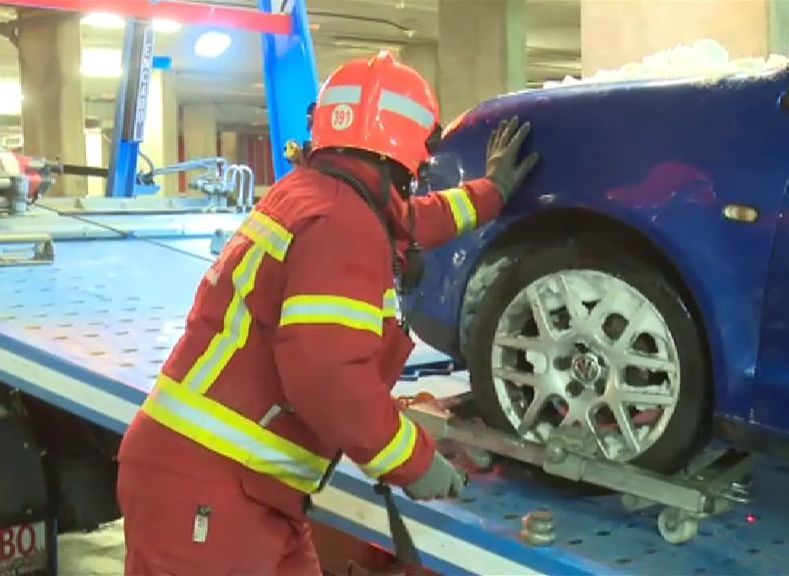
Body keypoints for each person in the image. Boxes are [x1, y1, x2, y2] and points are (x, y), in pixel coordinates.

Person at [115, 50, 539, 575]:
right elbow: (327, 377)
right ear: (407, 149)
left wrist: (488, 195)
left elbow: (407, 221)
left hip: (240, 487)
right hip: (213, 490)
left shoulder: (320, 193)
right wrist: (412, 460)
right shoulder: (343, 221)